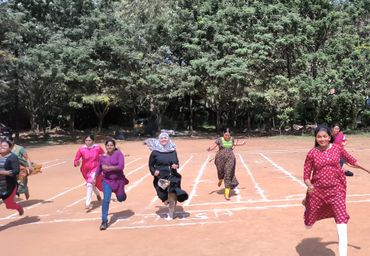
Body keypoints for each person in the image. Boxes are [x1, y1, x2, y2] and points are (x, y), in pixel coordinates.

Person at [303, 125, 370, 256]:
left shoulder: (338, 148)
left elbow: (352, 161)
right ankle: (307, 204)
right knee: (309, 224)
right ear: (316, 138)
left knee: (341, 221)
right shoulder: (312, 153)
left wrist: (368, 170)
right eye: (319, 137)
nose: (322, 139)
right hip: (318, 191)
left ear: (329, 137)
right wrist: (309, 185)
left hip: (337, 190)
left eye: (324, 136)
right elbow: (306, 176)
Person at [146, 132, 188, 219]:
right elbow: (151, 165)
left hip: (172, 175)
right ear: (159, 140)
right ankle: (166, 201)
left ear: (168, 139)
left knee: (172, 193)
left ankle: (171, 214)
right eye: (162, 138)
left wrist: (175, 165)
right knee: (163, 195)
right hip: (160, 177)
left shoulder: (172, 151)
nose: (163, 139)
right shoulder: (155, 152)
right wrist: (154, 171)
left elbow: (176, 162)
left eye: (165, 138)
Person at [95, 139, 128, 230]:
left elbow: (121, 166)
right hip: (107, 181)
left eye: (111, 145)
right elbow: (99, 168)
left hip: (119, 181)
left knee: (121, 198)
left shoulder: (118, 154)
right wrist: (94, 178)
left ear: (114, 146)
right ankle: (104, 221)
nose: (109, 147)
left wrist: (109, 167)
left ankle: (122, 194)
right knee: (106, 200)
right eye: (108, 145)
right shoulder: (102, 157)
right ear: (105, 146)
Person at [207, 128, 246, 200]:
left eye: (228, 135)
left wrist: (242, 144)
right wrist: (210, 149)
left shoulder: (232, 139)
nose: (227, 136)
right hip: (220, 158)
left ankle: (227, 194)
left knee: (228, 174)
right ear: (223, 134)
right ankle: (220, 179)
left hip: (230, 158)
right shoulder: (219, 139)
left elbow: (234, 144)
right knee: (220, 171)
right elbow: (213, 146)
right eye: (226, 135)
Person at [74, 135, 104, 209]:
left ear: (93, 141)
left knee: (89, 184)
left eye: (89, 140)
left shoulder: (97, 147)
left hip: (95, 168)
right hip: (85, 170)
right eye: (86, 140)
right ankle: (97, 194)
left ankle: (87, 203)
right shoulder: (81, 149)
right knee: (91, 184)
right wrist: (77, 163)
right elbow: (76, 160)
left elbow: (104, 155)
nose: (88, 142)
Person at [0, 139, 24, 216]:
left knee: (9, 205)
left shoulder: (13, 157)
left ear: (9, 148)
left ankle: (19, 207)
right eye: (0, 145)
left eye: (4, 146)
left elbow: (16, 171)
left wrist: (3, 172)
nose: (2, 147)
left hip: (9, 186)